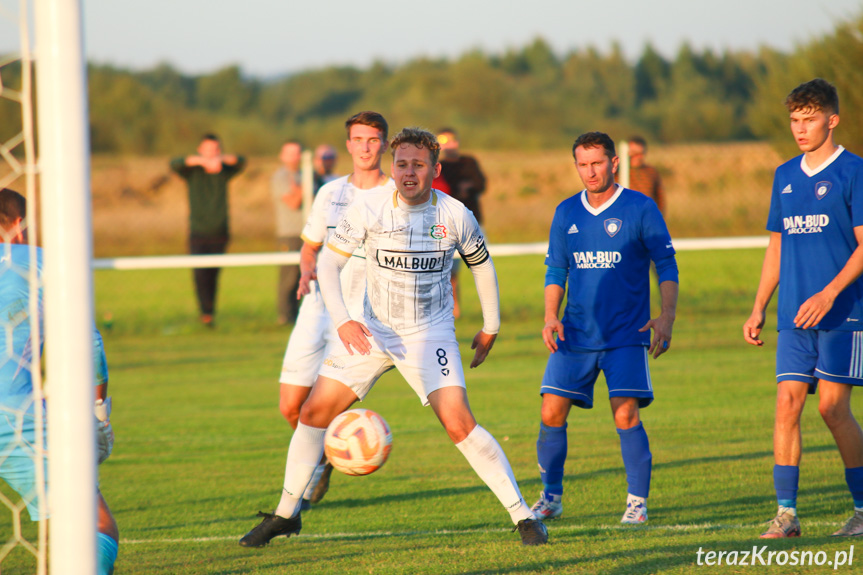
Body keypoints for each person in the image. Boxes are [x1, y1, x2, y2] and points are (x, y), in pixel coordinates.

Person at [240, 127, 548, 547]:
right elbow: (327, 265)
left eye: (418, 165)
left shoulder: (455, 214)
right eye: (401, 163)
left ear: (434, 169)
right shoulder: (368, 207)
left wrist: (490, 326)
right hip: (371, 332)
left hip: (429, 334)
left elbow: (481, 266)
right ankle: (285, 514)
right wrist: (344, 320)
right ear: (393, 166)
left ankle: (524, 517)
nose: (408, 172)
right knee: (312, 413)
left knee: (459, 423)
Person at [531, 132, 678, 525]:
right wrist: (551, 315)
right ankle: (550, 497)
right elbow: (556, 269)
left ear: (614, 163)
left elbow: (666, 265)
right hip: (575, 334)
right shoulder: (566, 212)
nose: (590, 171)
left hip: (626, 335)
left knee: (625, 414)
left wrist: (666, 317)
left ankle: (637, 503)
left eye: (597, 163)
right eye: (582, 164)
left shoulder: (640, 208)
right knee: (550, 411)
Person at [743, 78, 863, 538]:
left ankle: (861, 509)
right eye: (795, 120)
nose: (800, 128)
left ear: (832, 120)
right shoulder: (785, 176)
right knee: (786, 404)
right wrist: (758, 307)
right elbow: (776, 247)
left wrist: (829, 293)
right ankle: (787, 515)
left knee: (832, 409)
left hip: (843, 315)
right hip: (794, 316)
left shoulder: (853, 171)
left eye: (809, 119)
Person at [275, 112, 396, 510]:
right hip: (317, 309)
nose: (364, 146)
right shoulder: (329, 193)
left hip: (360, 317)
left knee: (323, 406)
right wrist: (307, 266)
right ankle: (328, 458)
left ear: (384, 144)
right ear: (348, 144)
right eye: (358, 139)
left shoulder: (397, 194)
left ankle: (307, 480)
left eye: (373, 139)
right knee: (290, 406)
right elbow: (310, 244)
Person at [0, 188, 119, 574]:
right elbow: (90, 343)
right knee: (94, 524)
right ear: (19, 223)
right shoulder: (40, 261)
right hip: (13, 416)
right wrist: (98, 408)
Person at [170, 134, 246, 326]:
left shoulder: (224, 171)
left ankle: (211, 312)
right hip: (198, 231)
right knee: (200, 274)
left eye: (215, 150)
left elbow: (241, 161)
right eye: (208, 150)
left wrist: (220, 161)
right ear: (200, 150)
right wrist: (201, 162)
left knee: (214, 274)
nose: (212, 155)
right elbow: (175, 163)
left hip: (220, 231)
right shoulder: (193, 171)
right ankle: (205, 315)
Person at [435, 128, 487, 319]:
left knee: (482, 266)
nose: (447, 145)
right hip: (450, 224)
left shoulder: (469, 162)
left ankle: (487, 309)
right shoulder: (439, 167)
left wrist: (469, 187)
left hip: (473, 222)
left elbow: (481, 183)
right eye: (442, 141)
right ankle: (454, 308)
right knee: (451, 270)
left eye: (450, 140)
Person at [272, 140, 304, 325]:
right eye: (290, 153)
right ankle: (284, 316)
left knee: (303, 276)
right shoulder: (281, 177)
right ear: (282, 156)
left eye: (297, 153)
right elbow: (293, 202)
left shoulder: (303, 175)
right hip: (289, 233)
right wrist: (304, 187)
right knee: (289, 277)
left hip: (305, 233)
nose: (294, 158)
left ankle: (298, 315)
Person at [620, 136, 666, 214]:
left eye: (641, 153)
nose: (638, 157)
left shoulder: (651, 172)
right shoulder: (618, 171)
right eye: (635, 153)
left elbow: (659, 197)